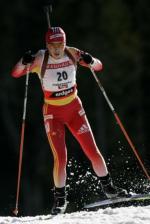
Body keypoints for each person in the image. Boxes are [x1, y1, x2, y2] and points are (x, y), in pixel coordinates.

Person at [11, 27, 128, 215]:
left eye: (60, 44)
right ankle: (60, 201)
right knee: (60, 157)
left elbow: (98, 66)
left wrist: (91, 60)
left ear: (65, 43)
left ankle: (109, 189)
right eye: (52, 45)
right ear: (47, 45)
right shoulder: (40, 58)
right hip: (53, 113)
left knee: (93, 151)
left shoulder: (73, 53)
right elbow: (16, 73)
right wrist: (23, 61)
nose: (57, 49)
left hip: (75, 109)